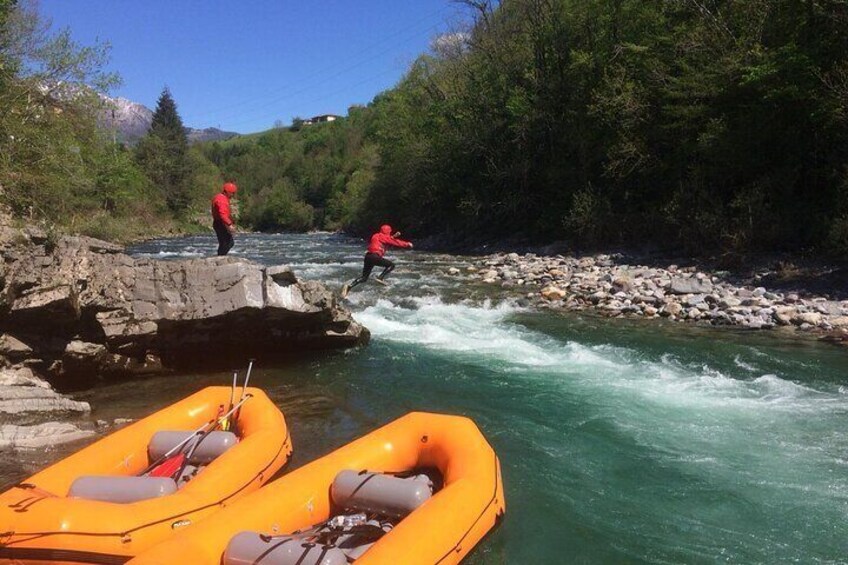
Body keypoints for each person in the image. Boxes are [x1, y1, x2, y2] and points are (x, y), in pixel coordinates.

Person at [341, 224, 413, 298]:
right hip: (375, 257)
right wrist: (407, 244)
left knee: (364, 278)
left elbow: (387, 240)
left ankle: (349, 287)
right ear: (388, 231)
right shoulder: (385, 237)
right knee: (391, 265)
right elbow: (395, 242)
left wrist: (393, 237)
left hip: (368, 256)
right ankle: (380, 277)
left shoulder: (375, 235)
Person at [211, 182, 237, 256]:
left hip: (219, 223)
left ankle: (220, 256)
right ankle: (220, 257)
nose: (233, 195)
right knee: (228, 243)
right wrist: (229, 224)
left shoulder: (219, 197)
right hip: (221, 223)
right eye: (232, 193)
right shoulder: (221, 200)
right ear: (228, 192)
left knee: (225, 243)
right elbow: (222, 215)